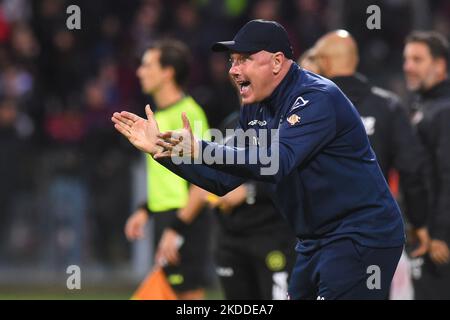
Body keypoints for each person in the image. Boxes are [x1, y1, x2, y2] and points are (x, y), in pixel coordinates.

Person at [112, 19, 405, 300]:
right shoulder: (256, 109)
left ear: (277, 62)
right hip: (313, 240)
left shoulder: (316, 97)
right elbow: (221, 180)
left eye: (244, 59)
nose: (234, 70)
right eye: (232, 61)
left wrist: (200, 148)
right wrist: (162, 151)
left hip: (360, 233)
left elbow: (278, 161)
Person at [306, 31, 431, 299]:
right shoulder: (388, 106)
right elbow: (412, 170)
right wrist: (419, 222)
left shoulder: (304, 109)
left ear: (326, 62)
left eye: (315, 58)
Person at [123, 39, 212, 300]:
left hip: (186, 221)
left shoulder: (189, 114)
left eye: (148, 65)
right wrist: (145, 209)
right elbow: (169, 179)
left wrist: (177, 229)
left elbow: (202, 182)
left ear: (168, 72)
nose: (140, 71)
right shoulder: (158, 117)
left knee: (187, 297)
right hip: (168, 219)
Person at [210, 111, 297, 300]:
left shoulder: (286, 123)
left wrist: (250, 190)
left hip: (273, 237)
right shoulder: (229, 124)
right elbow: (209, 171)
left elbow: (295, 173)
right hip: (230, 240)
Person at [403, 31, 450, 299]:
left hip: (438, 240)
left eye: (417, 60)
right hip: (425, 234)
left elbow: (448, 174)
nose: (408, 66)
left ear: (440, 65)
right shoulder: (423, 106)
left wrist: (442, 233)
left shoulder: (444, 110)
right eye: (406, 59)